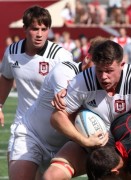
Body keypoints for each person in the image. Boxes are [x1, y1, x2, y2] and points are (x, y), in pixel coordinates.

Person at [43, 40, 131, 179]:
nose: (104, 77)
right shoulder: (82, 81)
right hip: (90, 143)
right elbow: (57, 117)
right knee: (52, 176)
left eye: (109, 71)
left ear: (122, 65)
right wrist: (83, 141)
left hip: (127, 148)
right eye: (99, 71)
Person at [8, 37, 104, 180]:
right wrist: (86, 142)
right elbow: (63, 116)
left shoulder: (104, 83)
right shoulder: (65, 70)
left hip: (63, 146)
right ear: (87, 58)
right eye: (98, 67)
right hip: (33, 136)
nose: (101, 74)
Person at [0, 5, 72, 173]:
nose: (39, 34)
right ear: (25, 29)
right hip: (25, 129)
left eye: (44, 29)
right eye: (34, 29)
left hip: (56, 134)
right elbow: (6, 77)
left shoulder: (61, 56)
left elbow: (73, 89)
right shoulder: (12, 52)